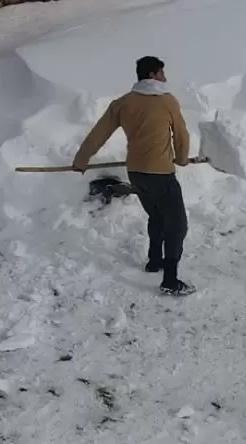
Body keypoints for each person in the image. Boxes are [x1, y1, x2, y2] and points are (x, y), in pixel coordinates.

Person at [72, 55, 196, 296]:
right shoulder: (167, 101)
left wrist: (81, 159)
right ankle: (170, 281)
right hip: (161, 173)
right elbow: (181, 135)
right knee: (177, 225)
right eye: (161, 73)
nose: (165, 78)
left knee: (156, 216)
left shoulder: (123, 103)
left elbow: (99, 133)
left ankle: (154, 261)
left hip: (137, 174)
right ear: (152, 75)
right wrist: (181, 158)